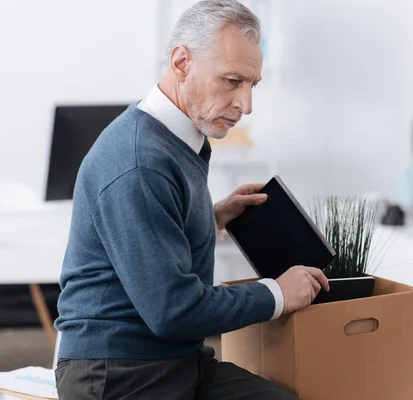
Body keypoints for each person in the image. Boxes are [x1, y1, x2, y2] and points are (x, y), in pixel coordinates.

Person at [54, 1, 328, 399]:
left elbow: (153, 231)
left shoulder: (173, 137)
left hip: (176, 358)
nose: (246, 105)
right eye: (232, 81)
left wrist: (210, 217)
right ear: (181, 61)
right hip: (119, 371)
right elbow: (173, 310)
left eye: (253, 85)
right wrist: (277, 294)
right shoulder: (139, 162)